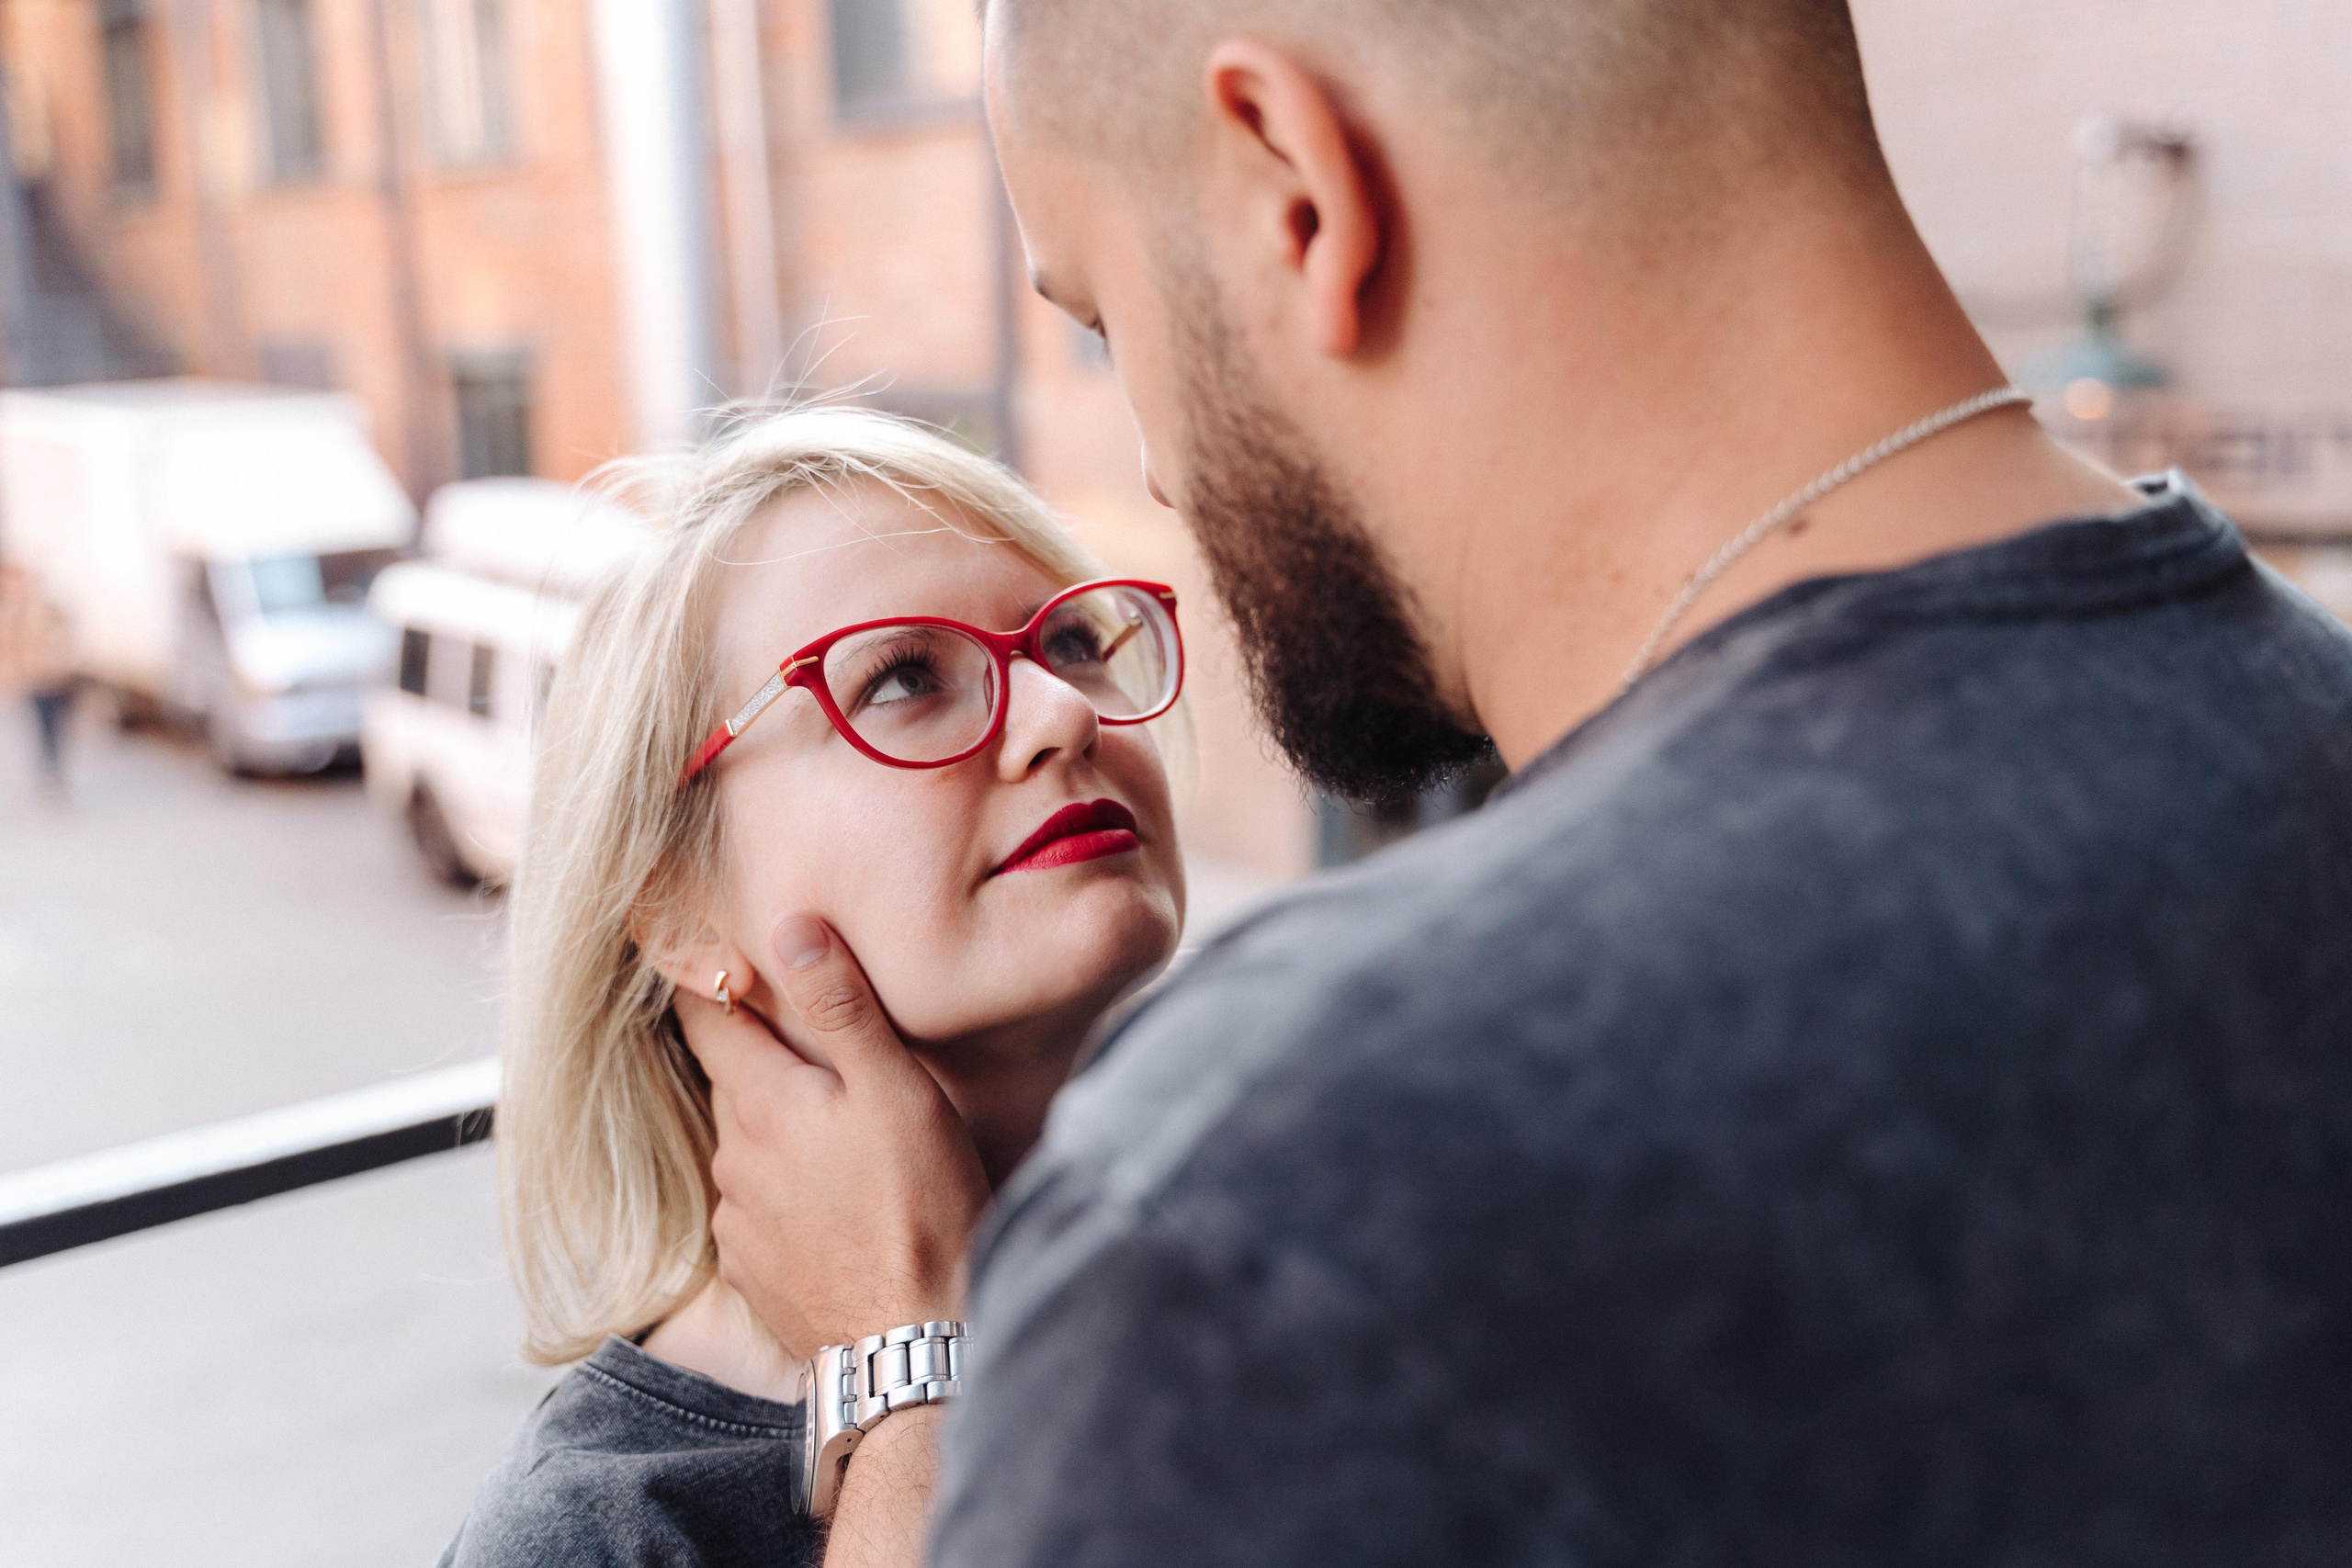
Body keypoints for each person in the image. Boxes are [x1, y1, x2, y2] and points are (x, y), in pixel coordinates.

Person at [695, 2, 2352, 1564]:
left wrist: (911, 1374)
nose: (1156, 470)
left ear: (1298, 192)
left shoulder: (1273, 1213)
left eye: (1108, 320)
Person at [436, 407, 1191, 1566]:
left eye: (1074, 643)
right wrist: (913, 1362)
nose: (1063, 711)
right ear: (672, 906)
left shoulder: (1280, 1232)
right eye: (903, 678)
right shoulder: (591, 1538)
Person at [0, 563, 79, 801]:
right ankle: (50, 778)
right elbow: (9, 647)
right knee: (45, 731)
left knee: (54, 731)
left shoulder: (46, 609)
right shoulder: (16, 613)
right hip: (37, 683)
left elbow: (66, 639)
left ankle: (53, 777)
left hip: (56, 681)